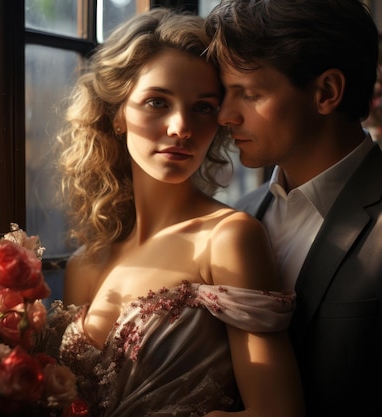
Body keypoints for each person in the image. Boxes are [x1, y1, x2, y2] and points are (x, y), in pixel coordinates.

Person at [204, 1, 382, 416]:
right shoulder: (239, 218)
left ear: (326, 92)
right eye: (223, 93)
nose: (226, 115)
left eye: (249, 94)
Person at [54, 7, 305, 417]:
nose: (181, 127)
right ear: (118, 114)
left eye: (203, 107)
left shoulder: (227, 238)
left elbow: (277, 414)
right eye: (157, 102)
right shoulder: (86, 264)